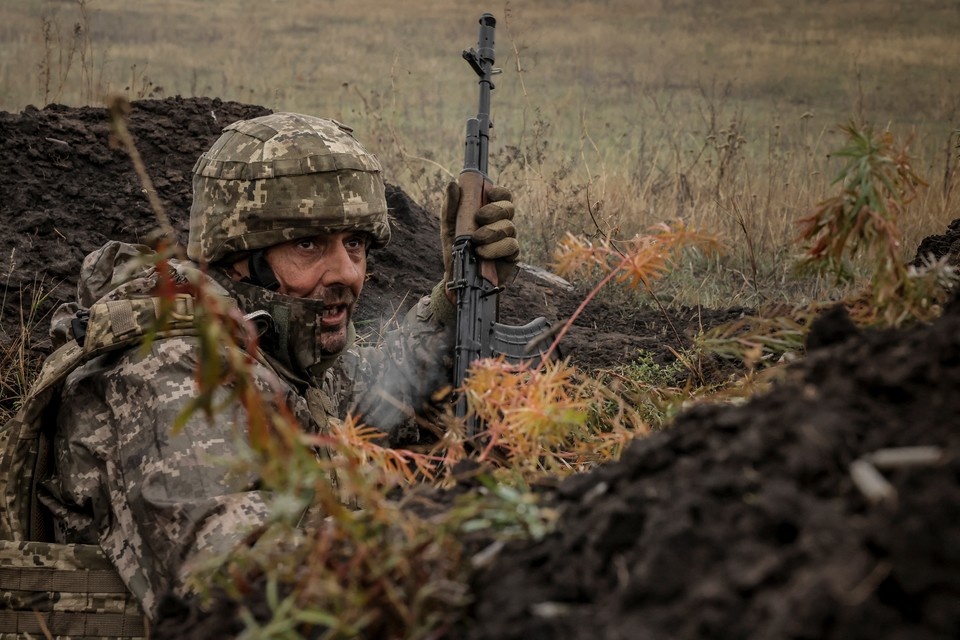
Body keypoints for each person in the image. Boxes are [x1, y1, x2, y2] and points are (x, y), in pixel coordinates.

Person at [0, 112, 520, 620]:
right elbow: (240, 591)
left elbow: (373, 397)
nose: (346, 273)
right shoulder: (175, 375)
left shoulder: (268, 340)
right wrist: (440, 540)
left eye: (356, 244)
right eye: (309, 243)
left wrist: (458, 298)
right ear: (237, 257)